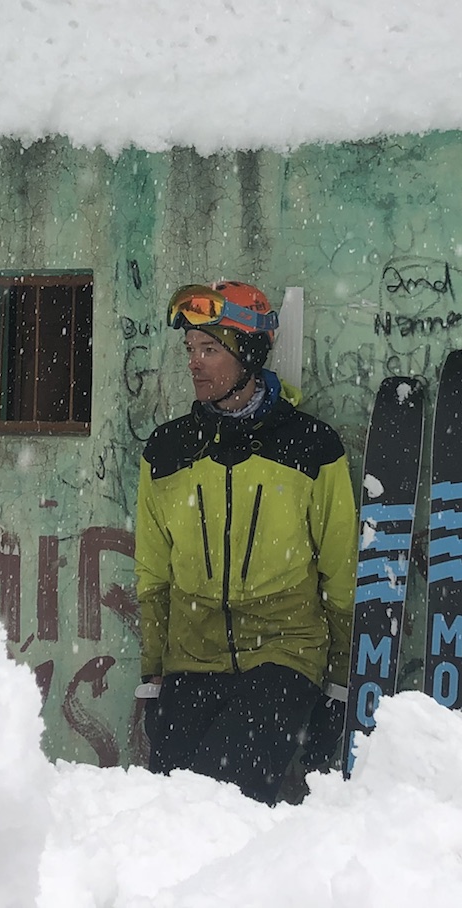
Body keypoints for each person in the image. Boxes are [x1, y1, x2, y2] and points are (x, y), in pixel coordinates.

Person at [134, 281, 357, 803]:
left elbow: (340, 575)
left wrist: (339, 689)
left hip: (283, 654)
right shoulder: (167, 450)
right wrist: (152, 681)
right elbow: (153, 574)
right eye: (190, 349)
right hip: (192, 658)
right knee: (166, 810)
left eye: (210, 349)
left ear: (250, 354)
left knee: (218, 801)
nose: (195, 362)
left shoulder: (310, 447)